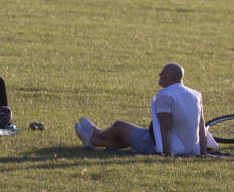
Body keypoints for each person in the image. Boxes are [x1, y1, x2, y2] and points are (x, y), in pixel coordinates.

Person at [74, 63, 214, 157]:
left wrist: (167, 153)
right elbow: (201, 126)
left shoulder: (165, 95)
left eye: (162, 73)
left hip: (169, 146)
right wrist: (203, 152)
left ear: (170, 77)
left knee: (119, 126)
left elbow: (166, 128)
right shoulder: (195, 94)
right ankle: (92, 140)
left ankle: (95, 134)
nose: (159, 75)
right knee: (130, 136)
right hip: (191, 147)